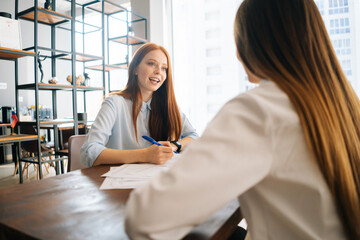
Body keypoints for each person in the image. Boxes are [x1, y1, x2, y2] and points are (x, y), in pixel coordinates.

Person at [124, 0, 360, 239]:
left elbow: (144, 217)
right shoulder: (346, 105)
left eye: (237, 41)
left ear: (251, 45)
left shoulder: (259, 109)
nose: (237, 54)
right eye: (152, 64)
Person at [81, 43, 198, 167]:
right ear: (135, 68)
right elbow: (89, 151)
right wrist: (145, 155)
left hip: (156, 179)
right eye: (151, 64)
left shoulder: (168, 106)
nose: (158, 71)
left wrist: (175, 145)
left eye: (164, 68)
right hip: (120, 180)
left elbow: (194, 136)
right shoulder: (114, 103)